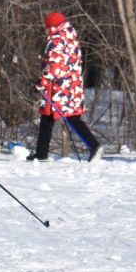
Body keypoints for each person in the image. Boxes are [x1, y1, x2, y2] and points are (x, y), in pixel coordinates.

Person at [31, 11, 100, 161]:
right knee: (60, 117)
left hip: (58, 87)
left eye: (47, 28)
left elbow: (54, 66)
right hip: (72, 85)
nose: (46, 31)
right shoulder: (71, 38)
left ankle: (94, 146)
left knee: (51, 117)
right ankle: (42, 153)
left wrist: (42, 82)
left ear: (52, 27)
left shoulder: (56, 41)